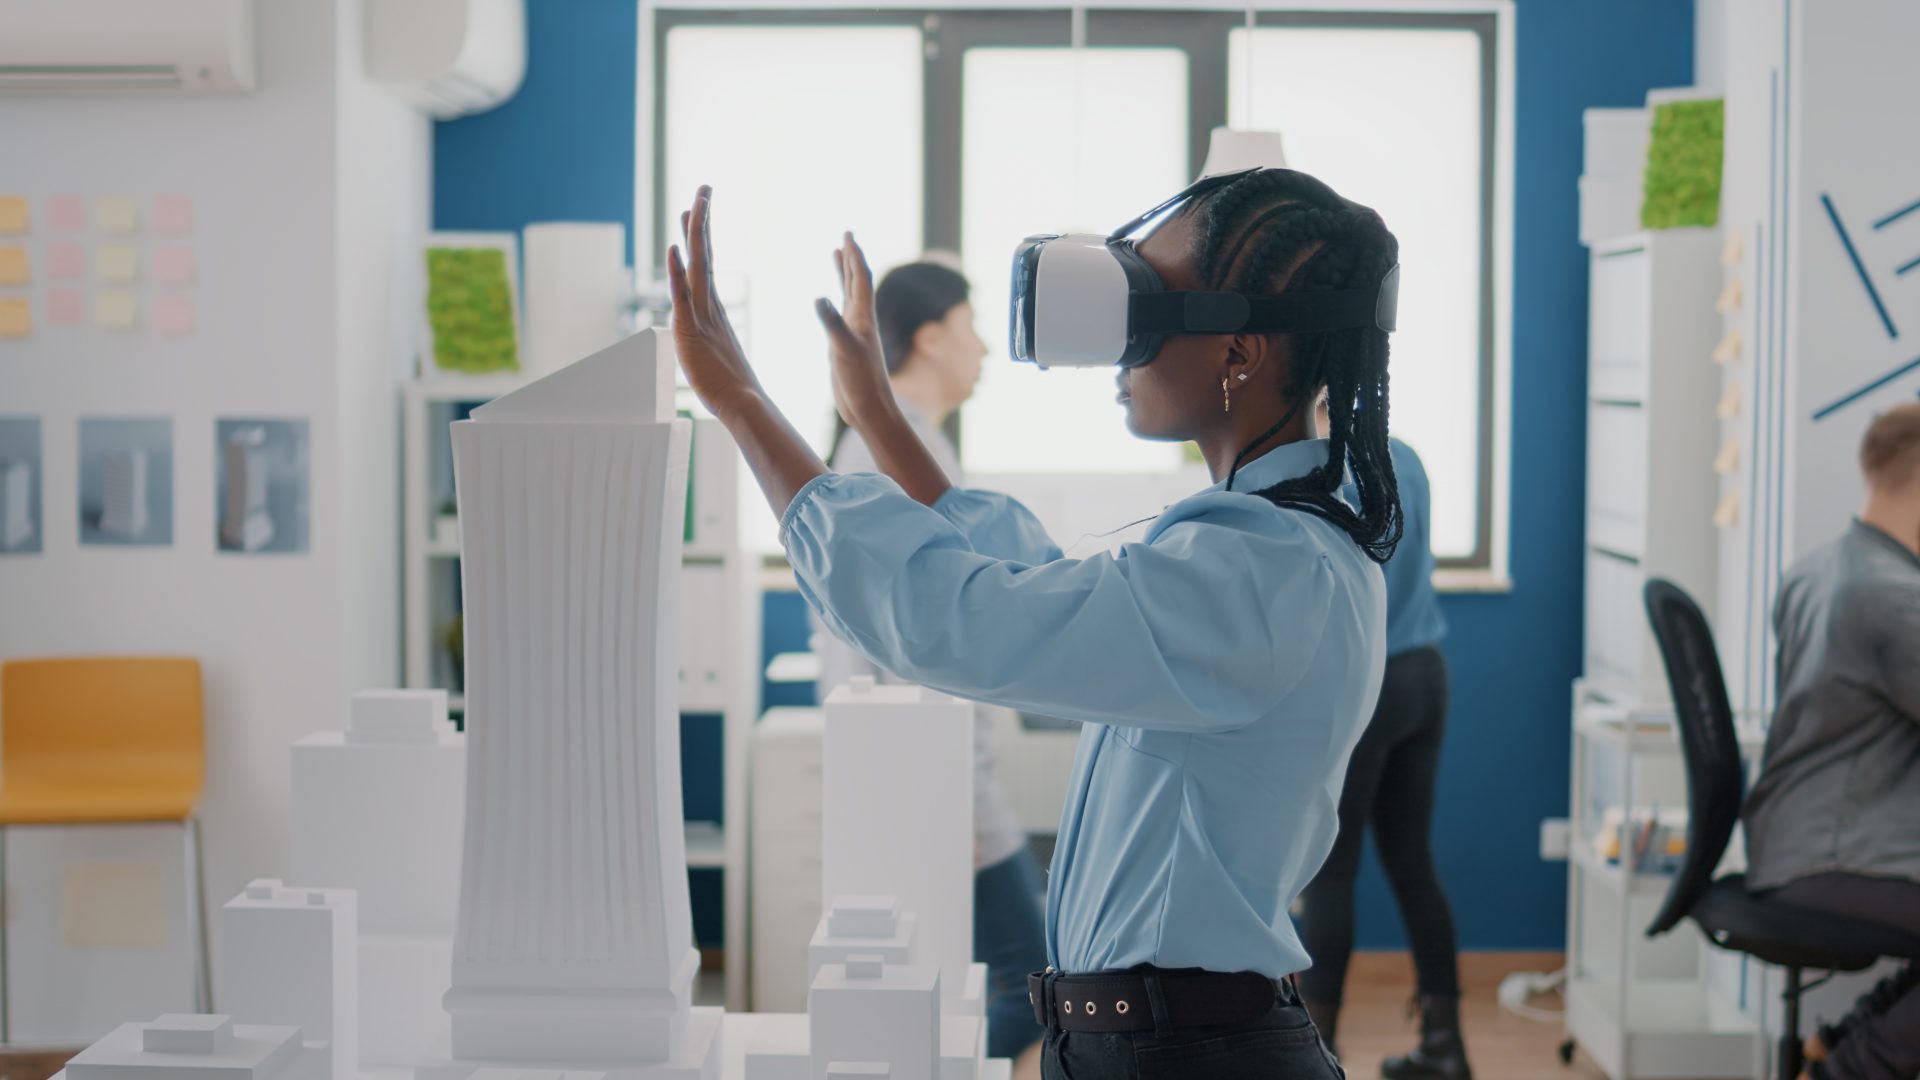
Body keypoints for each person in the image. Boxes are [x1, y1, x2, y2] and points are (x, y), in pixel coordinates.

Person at [665, 166, 1401, 1078]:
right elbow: (1035, 585)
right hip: (1159, 1044)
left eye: (1148, 310)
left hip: (1187, 1055)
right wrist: (881, 420)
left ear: (1236, 351)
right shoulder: (1266, 552)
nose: (1120, 351)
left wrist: (739, 404)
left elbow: (962, 619)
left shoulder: (1263, 567)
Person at [810, 258, 1050, 1068]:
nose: (984, 348)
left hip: (930, 760)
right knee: (1030, 977)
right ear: (931, 336)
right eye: (973, 326)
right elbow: (893, 633)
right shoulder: (892, 445)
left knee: (999, 974)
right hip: (924, 763)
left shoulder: (910, 439)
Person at [1743, 403, 1920, 1080]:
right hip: (1837, 854)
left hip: (1791, 842)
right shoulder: (1891, 595)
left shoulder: (1818, 570)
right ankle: (1846, 1068)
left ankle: (1841, 1039)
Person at [1296, 397, 1470, 1079]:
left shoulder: (1327, 470)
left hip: (1370, 684)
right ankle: (1446, 1043)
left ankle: (1316, 1052)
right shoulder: (1407, 456)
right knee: (1412, 863)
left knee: (1332, 871)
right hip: (1426, 676)